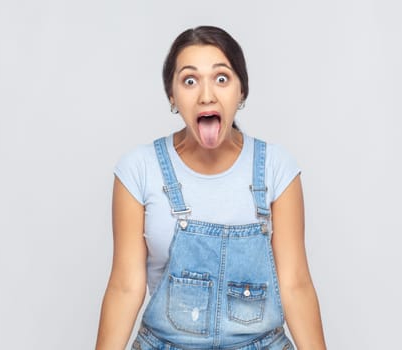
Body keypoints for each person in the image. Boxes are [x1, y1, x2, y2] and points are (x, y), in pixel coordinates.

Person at [96, 26, 326, 350]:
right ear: (172, 96)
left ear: (241, 92)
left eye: (222, 79)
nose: (207, 95)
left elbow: (295, 285)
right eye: (190, 81)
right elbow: (125, 287)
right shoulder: (140, 169)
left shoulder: (275, 167)